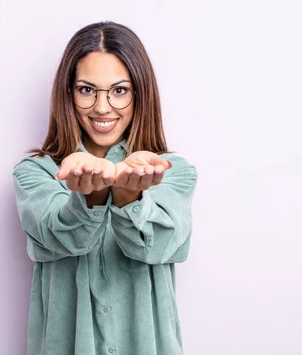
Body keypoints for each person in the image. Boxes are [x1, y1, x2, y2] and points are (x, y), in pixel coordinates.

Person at [12, 21, 198, 355]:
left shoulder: (172, 173)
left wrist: (129, 195)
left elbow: (159, 245)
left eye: (119, 90)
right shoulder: (35, 174)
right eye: (87, 90)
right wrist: (90, 197)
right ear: (68, 93)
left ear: (140, 93)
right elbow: (60, 233)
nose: (102, 107)